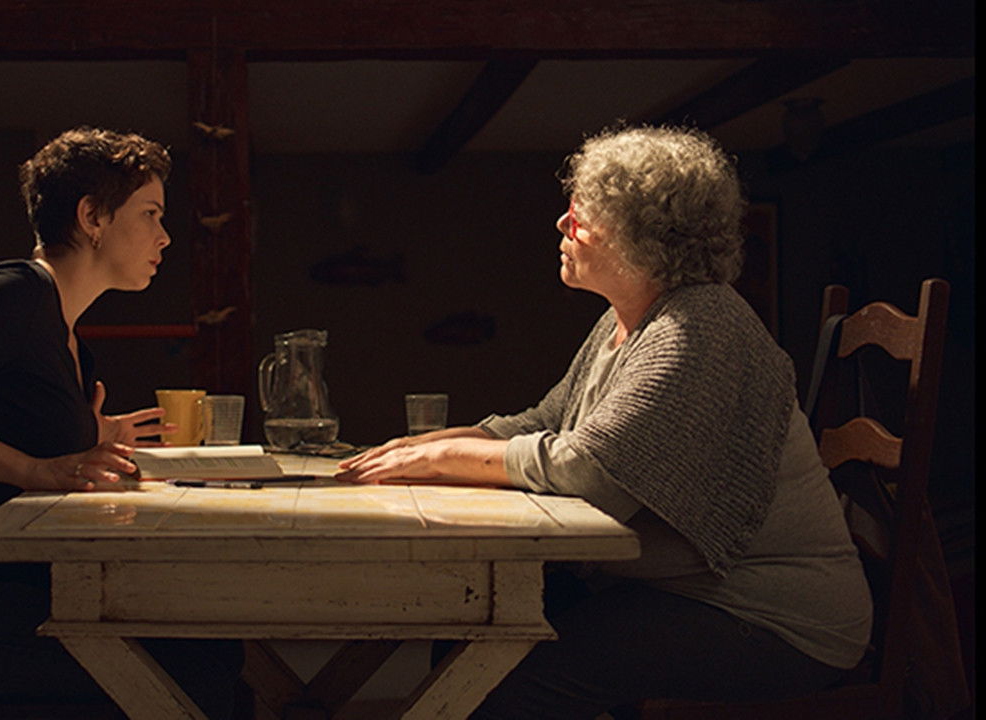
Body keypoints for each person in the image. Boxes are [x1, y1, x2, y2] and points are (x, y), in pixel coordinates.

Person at [338, 125, 872, 718]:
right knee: (471, 631)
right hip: (676, 592)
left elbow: (593, 470)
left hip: (773, 617)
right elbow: (544, 422)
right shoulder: (628, 321)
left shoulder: (698, 327)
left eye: (579, 215)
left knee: (506, 680)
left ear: (640, 235)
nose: (561, 224)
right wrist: (414, 449)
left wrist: (442, 458)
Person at [0, 126, 243, 716]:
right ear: (92, 217)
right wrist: (34, 470)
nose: (164, 236)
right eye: (150, 214)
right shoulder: (14, 292)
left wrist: (95, 433)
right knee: (202, 668)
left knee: (215, 647)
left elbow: (10, 420)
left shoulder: (62, 328)